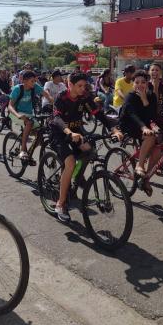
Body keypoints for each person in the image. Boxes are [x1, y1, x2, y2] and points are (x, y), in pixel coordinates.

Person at [50, 72, 121, 222]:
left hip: (77, 132)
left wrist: (113, 129)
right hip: (59, 133)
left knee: (90, 151)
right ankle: (60, 204)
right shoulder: (61, 97)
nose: (83, 89)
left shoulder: (86, 97)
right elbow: (57, 118)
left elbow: (99, 114)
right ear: (70, 85)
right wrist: (69, 132)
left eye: (85, 85)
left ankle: (76, 177)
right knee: (69, 162)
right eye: (79, 86)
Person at [119, 70, 163, 195]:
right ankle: (139, 165)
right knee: (151, 137)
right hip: (129, 124)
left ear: (147, 83)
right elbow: (132, 114)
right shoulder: (130, 96)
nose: (140, 85)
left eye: (143, 82)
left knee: (159, 148)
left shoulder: (151, 96)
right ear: (133, 84)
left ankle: (146, 179)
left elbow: (152, 115)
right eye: (137, 82)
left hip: (145, 124)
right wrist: (143, 128)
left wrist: (144, 99)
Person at [7, 70, 52, 159]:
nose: (34, 83)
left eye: (35, 81)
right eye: (32, 81)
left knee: (39, 133)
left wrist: (51, 100)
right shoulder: (17, 89)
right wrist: (18, 115)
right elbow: (10, 106)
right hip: (15, 114)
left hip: (29, 115)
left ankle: (29, 152)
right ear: (24, 81)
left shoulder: (34, 87)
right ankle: (23, 150)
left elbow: (45, 94)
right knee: (29, 123)